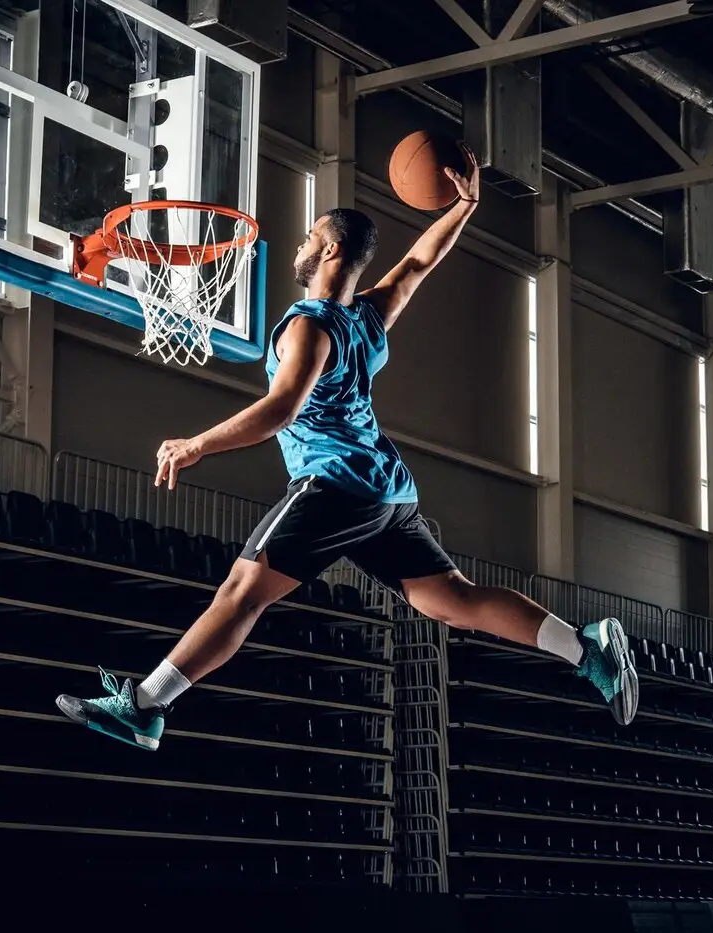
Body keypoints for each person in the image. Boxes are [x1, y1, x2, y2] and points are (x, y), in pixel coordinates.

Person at [57, 145, 637, 751]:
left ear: (330, 250)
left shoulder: (310, 324)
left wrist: (197, 444)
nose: (302, 244)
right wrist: (464, 205)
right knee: (451, 599)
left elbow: (282, 410)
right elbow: (417, 263)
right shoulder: (366, 318)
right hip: (386, 490)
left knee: (241, 593)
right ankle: (586, 647)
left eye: (311, 235)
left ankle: (146, 706)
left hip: (333, 484)